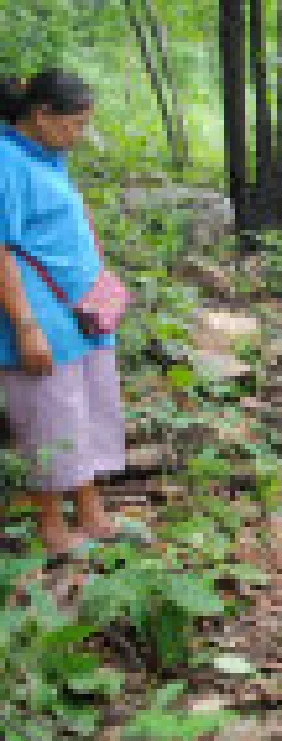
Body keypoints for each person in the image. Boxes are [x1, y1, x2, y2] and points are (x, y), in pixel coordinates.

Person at [0, 71, 127, 555]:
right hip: (40, 315)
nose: (78, 135)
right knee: (47, 417)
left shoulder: (48, 156)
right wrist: (25, 325)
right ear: (40, 115)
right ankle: (51, 524)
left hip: (83, 311)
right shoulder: (6, 160)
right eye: (74, 124)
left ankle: (90, 509)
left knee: (88, 407)